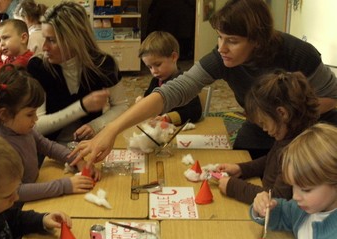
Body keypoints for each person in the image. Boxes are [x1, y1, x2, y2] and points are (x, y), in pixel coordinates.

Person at [69, 0, 337, 166]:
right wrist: (112, 130)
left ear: (257, 40)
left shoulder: (299, 53)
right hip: (262, 124)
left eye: (232, 40)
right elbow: (173, 91)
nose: (221, 47)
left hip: (310, 126)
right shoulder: (221, 58)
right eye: (219, 37)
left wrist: (286, 118)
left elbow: (333, 100)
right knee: (242, 160)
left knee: (294, 174)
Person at [0, 65, 100, 203]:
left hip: (36, 191)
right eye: (30, 114)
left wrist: (77, 160)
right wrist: (64, 185)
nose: (35, 119)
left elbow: (48, 146)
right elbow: (17, 192)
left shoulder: (21, 128)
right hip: (19, 209)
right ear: (4, 114)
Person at [27, 1, 129, 146]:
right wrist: (82, 107)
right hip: (49, 149)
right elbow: (36, 125)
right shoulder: (37, 67)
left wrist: (96, 125)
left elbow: (121, 106)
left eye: (51, 40)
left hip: (92, 144)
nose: (44, 47)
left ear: (74, 40)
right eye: (44, 38)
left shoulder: (103, 64)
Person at [217, 70, 319, 204]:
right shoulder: (287, 136)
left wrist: (233, 187)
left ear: (282, 113)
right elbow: (272, 160)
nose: (264, 129)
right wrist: (241, 169)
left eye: (264, 123)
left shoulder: (298, 151)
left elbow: (276, 199)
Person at [251, 123, 337, 239]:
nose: (295, 196)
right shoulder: (305, 208)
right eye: (293, 186)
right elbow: (284, 213)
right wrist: (263, 209)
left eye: (306, 189)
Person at [0, 131, 72, 239]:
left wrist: (42, 220)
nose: (16, 197)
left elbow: (15, 219)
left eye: (16, 189)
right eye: (7, 196)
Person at [137, 31, 202, 125]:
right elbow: (149, 100)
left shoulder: (185, 82)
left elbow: (195, 111)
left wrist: (169, 118)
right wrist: (142, 101)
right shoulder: (155, 81)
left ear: (174, 57)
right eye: (149, 67)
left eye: (157, 64)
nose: (154, 71)